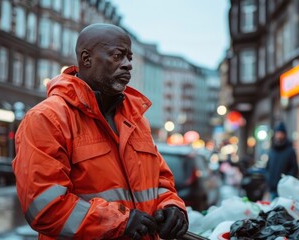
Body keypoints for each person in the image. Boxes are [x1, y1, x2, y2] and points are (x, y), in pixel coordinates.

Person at [12, 23, 188, 240]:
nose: (128, 65)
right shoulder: (47, 119)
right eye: (117, 56)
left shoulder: (135, 120)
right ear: (87, 59)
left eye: (129, 57)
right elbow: (44, 207)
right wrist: (119, 222)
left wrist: (171, 206)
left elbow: (160, 180)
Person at [265, 122, 299, 200]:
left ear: (285, 134)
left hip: (284, 191)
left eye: (281, 133)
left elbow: (294, 169)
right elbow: (267, 167)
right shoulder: (272, 150)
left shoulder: (290, 151)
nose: (279, 135)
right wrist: (268, 179)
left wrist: (285, 182)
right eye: (277, 133)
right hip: (272, 189)